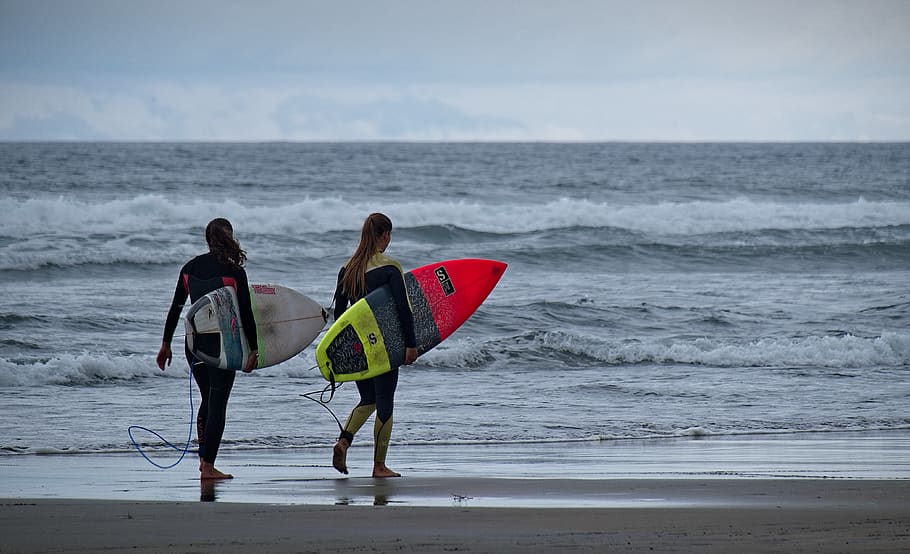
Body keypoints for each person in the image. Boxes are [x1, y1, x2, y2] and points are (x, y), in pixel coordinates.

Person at [156, 218, 258, 480]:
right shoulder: (235, 272)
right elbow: (245, 314)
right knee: (218, 405)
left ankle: (205, 460)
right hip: (224, 346)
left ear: (207, 239)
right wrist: (253, 350)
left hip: (195, 345)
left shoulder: (189, 268)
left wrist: (165, 344)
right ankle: (208, 466)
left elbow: (176, 308)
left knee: (207, 400)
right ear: (230, 238)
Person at [331, 213, 418, 478]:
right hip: (385, 346)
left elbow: (339, 317)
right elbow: (404, 309)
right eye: (389, 235)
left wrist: (346, 353)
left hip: (359, 348)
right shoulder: (390, 268)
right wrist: (411, 344)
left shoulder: (348, 269)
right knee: (384, 403)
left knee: (368, 398)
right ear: (385, 235)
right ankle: (379, 466)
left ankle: (343, 441)